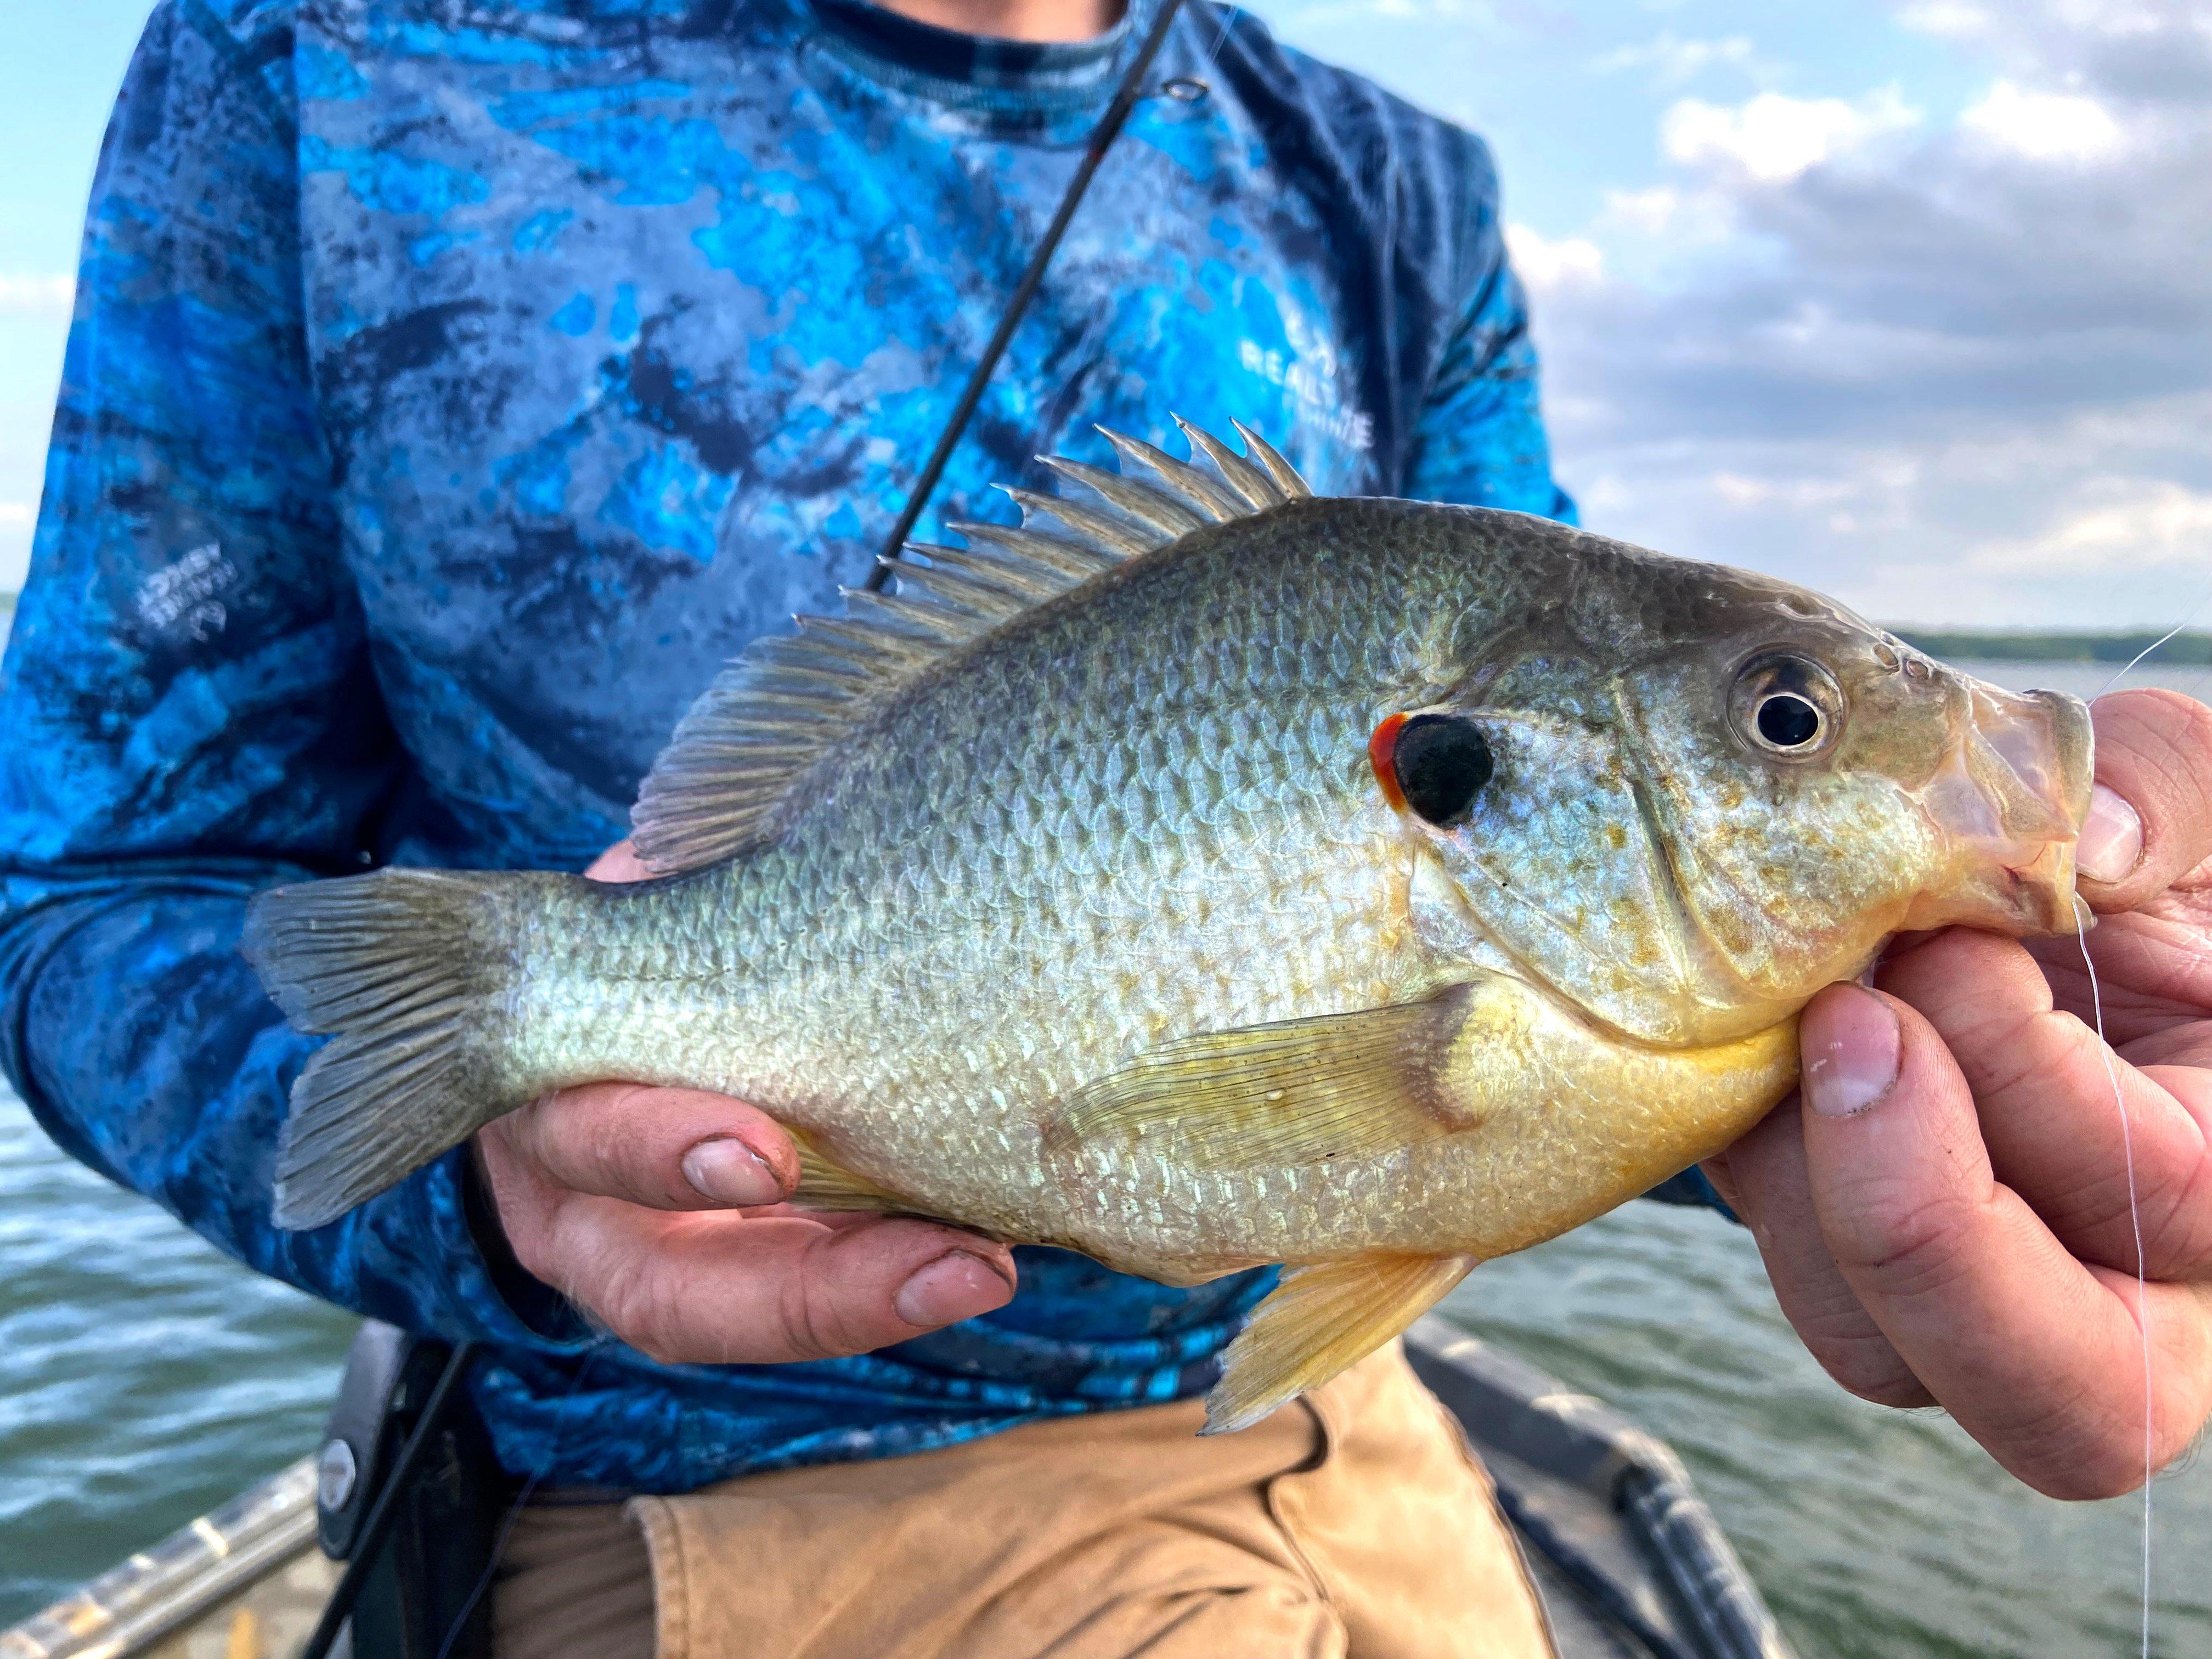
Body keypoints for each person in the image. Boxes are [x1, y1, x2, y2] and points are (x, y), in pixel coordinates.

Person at [2, 0, 2208, 1651]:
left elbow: (1569, 1007)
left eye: (1789, 718)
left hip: (1353, 1429)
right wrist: (497, 1174)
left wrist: (1951, 1084)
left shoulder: (1388, 186)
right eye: (1797, 720)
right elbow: (85, 897)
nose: (1827, 746)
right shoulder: (335, 58)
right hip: (744, 1490)